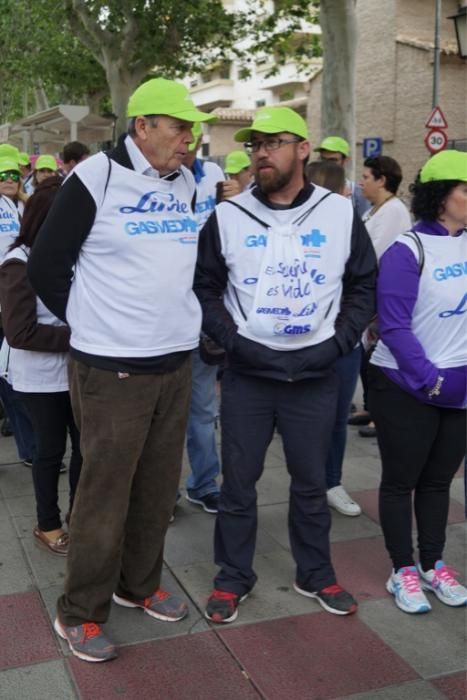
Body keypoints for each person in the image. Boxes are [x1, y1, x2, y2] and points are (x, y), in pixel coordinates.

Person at [28, 77, 215, 662]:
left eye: (191, 129)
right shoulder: (94, 178)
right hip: (112, 370)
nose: (189, 138)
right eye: (179, 127)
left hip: (175, 363)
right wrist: (97, 323)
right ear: (143, 126)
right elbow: (47, 269)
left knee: (157, 491)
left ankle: (138, 586)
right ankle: (79, 612)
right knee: (103, 497)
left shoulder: (183, 181)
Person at [194, 106, 377, 623]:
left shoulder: (339, 212)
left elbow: (363, 282)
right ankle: (233, 576)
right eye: (255, 144)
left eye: (274, 142)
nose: (261, 152)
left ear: (302, 149)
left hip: (314, 373)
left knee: (311, 482)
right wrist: (232, 342)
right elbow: (205, 285)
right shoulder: (228, 215)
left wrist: (339, 342)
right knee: (238, 484)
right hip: (249, 374)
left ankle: (314, 573)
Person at [368, 150, 467, 614]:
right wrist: (430, 380)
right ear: (440, 195)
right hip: (406, 385)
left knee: (438, 482)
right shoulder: (408, 250)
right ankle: (402, 569)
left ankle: (433, 562)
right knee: (400, 481)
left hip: (460, 387)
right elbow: (394, 325)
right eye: (466, 190)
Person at [0, 176, 82, 555]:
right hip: (39, 377)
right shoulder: (18, 263)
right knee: (50, 451)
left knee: (85, 447)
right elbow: (20, 332)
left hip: (78, 372)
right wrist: (82, 336)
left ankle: (80, 516)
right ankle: (46, 523)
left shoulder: (75, 255)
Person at [306, 160, 363, 516]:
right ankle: (310, 485)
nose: (351, 192)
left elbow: (363, 283)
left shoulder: (351, 227)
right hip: (305, 343)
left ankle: (331, 482)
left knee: (338, 416)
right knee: (307, 419)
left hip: (344, 345)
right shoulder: (294, 229)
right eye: (345, 187)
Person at [180, 124, 225, 515]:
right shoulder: (140, 185)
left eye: (189, 136)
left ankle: (204, 483)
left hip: (200, 321)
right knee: (155, 416)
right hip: (155, 323)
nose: (184, 143)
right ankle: (157, 494)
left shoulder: (213, 177)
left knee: (202, 411)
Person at [353, 156, 412, 438]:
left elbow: (375, 257)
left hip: (383, 297)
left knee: (381, 358)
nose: (361, 182)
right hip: (369, 295)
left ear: (382, 180)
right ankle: (371, 409)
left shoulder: (394, 212)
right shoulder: (373, 211)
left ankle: (382, 415)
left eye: (366, 177)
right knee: (369, 357)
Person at [0, 155, 36, 462]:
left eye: (13, 174)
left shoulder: (29, 206)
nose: (9, 179)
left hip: (17, 302)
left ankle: (30, 450)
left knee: (11, 378)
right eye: (2, 174)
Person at [315, 136, 370, 218]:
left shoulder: (357, 193)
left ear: (345, 161)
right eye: (323, 159)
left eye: (332, 160)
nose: (327, 164)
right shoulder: (312, 188)